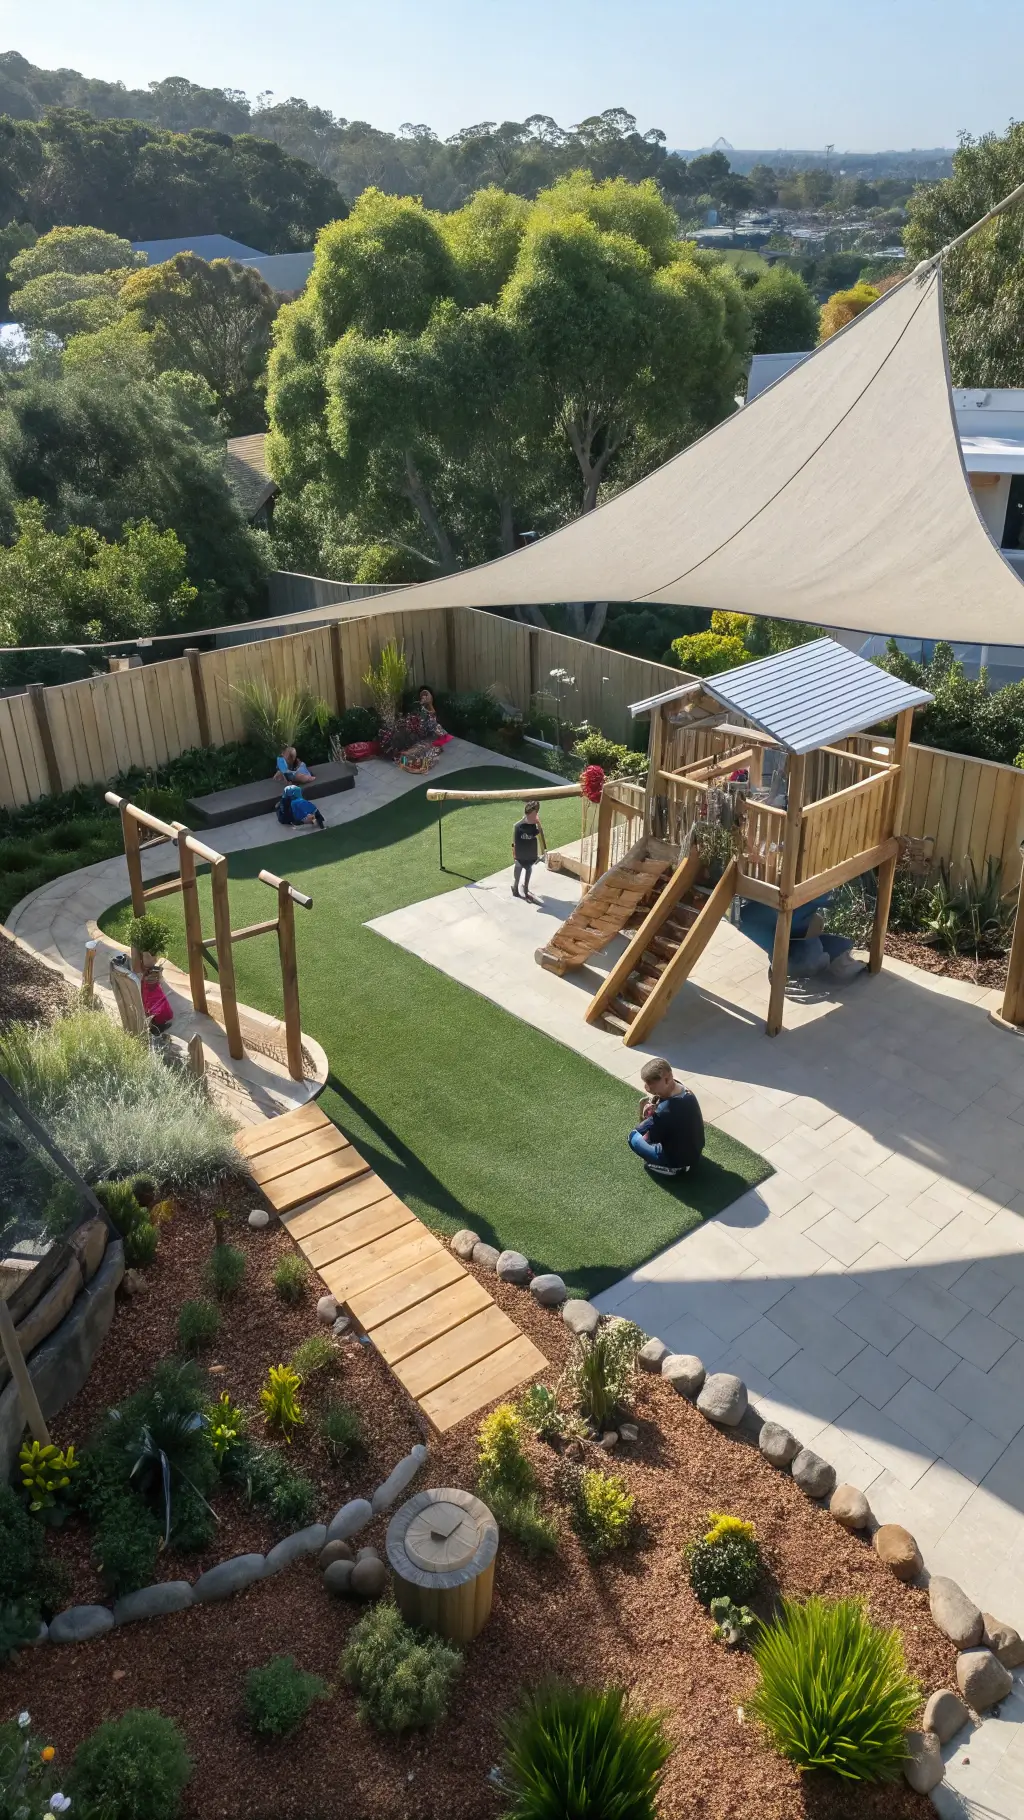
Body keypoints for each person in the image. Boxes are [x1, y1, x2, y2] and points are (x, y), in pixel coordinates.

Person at [628, 1056, 705, 1177]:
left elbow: (648, 1139)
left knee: (633, 1137)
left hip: (679, 1163)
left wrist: (648, 1116)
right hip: (695, 1152)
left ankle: (671, 1169)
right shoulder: (686, 1091)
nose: (647, 1088)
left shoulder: (663, 1111)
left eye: (651, 1086)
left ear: (667, 1079)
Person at [512, 800, 545, 902]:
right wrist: (514, 855)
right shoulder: (518, 826)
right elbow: (514, 842)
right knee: (518, 872)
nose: (534, 816)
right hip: (520, 854)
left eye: (535, 814)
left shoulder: (533, 825)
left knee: (528, 870)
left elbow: (538, 833)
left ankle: (526, 890)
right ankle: (515, 888)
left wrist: (538, 823)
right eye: (532, 814)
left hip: (530, 853)